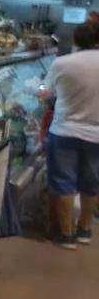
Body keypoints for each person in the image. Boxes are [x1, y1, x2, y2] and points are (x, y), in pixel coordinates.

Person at [40, 21, 99, 249]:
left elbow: (45, 92)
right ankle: (85, 230)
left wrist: (34, 90)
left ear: (76, 40)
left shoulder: (62, 63)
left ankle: (66, 235)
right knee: (92, 185)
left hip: (64, 131)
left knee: (63, 184)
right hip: (96, 136)